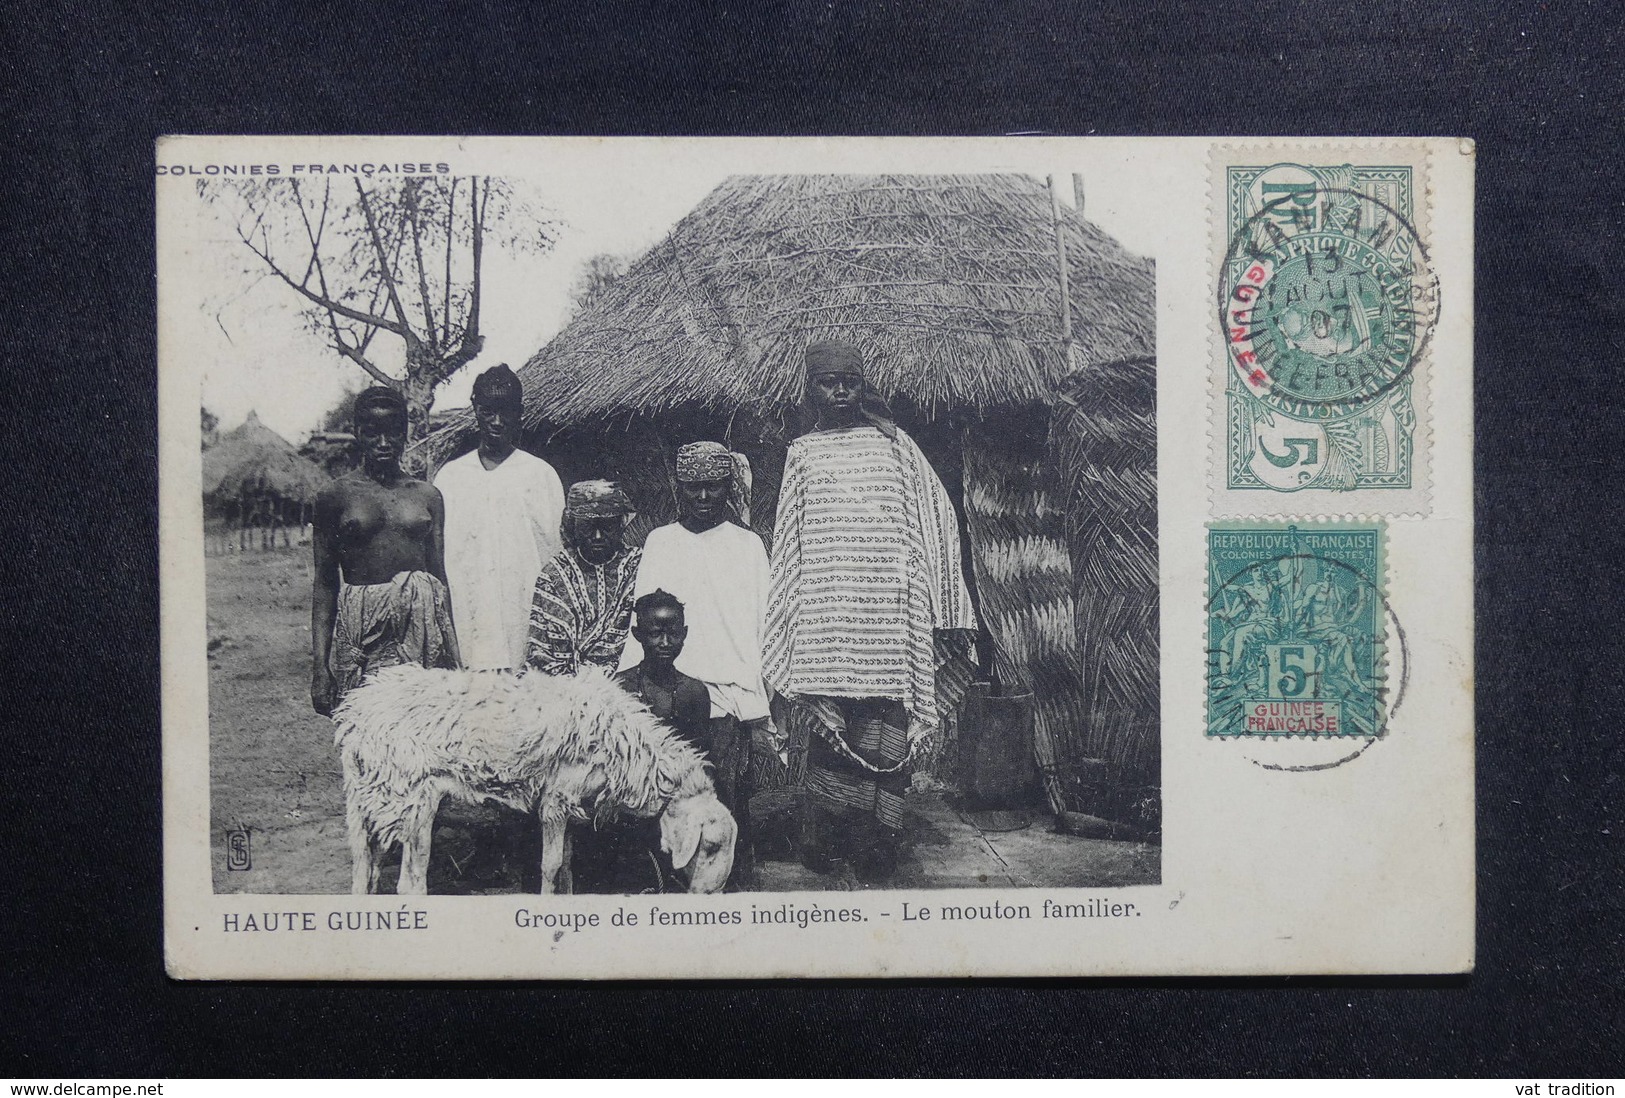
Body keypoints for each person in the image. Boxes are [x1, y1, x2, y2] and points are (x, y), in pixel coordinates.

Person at [763, 340, 979, 879]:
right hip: (829, 618)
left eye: (849, 382)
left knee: (884, 720)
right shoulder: (802, 452)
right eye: (827, 383)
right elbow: (788, 538)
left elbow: (937, 519)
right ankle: (830, 836)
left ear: (863, 386)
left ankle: (879, 841)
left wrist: (945, 605)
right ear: (809, 389)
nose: (839, 392)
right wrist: (789, 613)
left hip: (889, 616)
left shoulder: (896, 447)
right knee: (832, 722)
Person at [619, 440, 775, 884]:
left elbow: (763, 625)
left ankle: (735, 884)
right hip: (668, 695)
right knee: (667, 800)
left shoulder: (748, 546)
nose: (704, 498)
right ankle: (668, 884)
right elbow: (644, 617)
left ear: (728, 487)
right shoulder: (660, 542)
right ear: (679, 489)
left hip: (726, 699)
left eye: (713, 487)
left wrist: (759, 699)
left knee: (727, 796)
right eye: (694, 488)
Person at [310, 387, 460, 715]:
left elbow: (439, 578)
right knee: (367, 735)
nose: (383, 443)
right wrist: (320, 669)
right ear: (357, 433)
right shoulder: (334, 497)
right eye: (372, 432)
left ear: (404, 434)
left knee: (426, 733)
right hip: (363, 632)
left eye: (392, 433)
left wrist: (452, 652)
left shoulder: (427, 496)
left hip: (422, 631)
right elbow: (324, 585)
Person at [433, 364, 564, 671]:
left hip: (526, 624)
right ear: (475, 410)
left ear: (519, 413)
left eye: (505, 412)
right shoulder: (450, 478)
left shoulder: (541, 475)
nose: (496, 421)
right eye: (487, 411)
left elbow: (556, 558)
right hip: (469, 622)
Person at [526, 480, 640, 676]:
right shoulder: (554, 574)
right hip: (561, 684)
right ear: (572, 525)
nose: (597, 536)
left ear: (621, 524)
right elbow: (541, 651)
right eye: (587, 526)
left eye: (607, 526)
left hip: (628, 679)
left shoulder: (637, 566)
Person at [615, 590, 713, 752]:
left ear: (684, 633)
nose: (665, 643)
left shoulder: (694, 692)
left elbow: (701, 759)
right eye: (655, 634)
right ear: (637, 634)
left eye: (673, 633)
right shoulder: (618, 687)